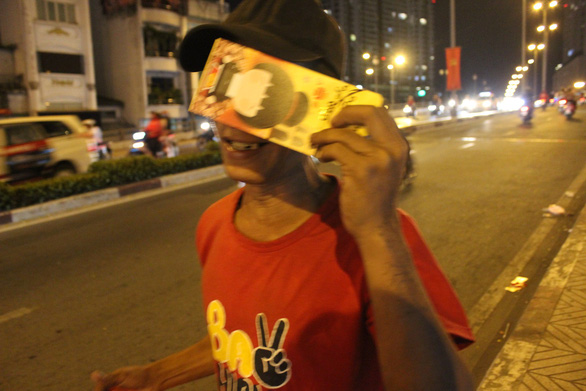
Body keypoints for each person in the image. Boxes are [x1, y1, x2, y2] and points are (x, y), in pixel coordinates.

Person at [91, 0, 474, 390]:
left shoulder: (379, 236)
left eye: (266, 91)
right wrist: (157, 375)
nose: (231, 120)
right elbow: (246, 341)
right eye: (225, 80)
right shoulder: (213, 223)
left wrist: (378, 233)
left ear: (318, 105)